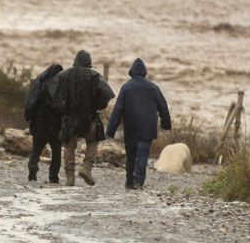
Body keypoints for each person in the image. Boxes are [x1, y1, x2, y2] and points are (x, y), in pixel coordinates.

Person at [50, 50, 114, 186]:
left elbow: (53, 95)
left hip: (69, 117)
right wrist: (97, 106)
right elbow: (106, 94)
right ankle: (86, 168)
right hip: (89, 116)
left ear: (75, 60)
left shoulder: (63, 75)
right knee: (93, 142)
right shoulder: (95, 75)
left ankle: (70, 177)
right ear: (88, 61)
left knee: (69, 146)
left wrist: (62, 109)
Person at [106, 58, 171, 190]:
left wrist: (110, 130)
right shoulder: (153, 87)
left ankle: (129, 182)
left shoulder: (126, 87)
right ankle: (139, 181)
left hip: (131, 127)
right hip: (148, 128)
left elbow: (118, 109)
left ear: (131, 72)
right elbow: (163, 107)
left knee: (131, 156)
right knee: (143, 155)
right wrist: (166, 124)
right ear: (144, 72)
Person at [25, 63, 64, 183]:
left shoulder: (39, 84)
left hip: (40, 124)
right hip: (55, 126)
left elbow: (31, 103)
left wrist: (30, 118)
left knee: (36, 150)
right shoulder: (61, 87)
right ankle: (53, 177)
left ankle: (32, 167)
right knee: (56, 152)